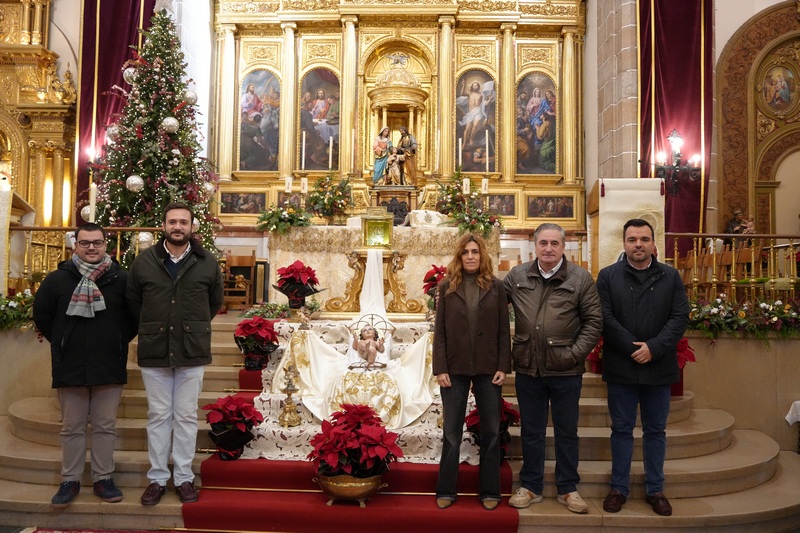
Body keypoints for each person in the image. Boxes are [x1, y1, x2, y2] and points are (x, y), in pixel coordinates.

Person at [33, 223, 137, 509]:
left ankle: (103, 478)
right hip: (70, 363)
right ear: (75, 245)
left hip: (108, 362)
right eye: (85, 242)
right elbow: (42, 314)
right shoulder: (57, 279)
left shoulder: (121, 279)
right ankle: (70, 480)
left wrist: (116, 341)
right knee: (72, 427)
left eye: (97, 242)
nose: (92, 247)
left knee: (105, 427)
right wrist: (62, 341)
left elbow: (134, 319)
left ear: (106, 245)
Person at [127, 202, 224, 506]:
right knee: (158, 416)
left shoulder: (207, 261)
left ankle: (183, 477)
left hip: (191, 349)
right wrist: (155, 325)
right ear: (164, 226)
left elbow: (214, 302)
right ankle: (157, 478)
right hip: (155, 348)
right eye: (172, 222)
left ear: (192, 227)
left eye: (183, 222)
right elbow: (133, 302)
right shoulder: (144, 261)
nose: (178, 226)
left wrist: (190, 327)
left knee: (185, 416)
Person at [504, 223, 602, 514]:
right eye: (543, 243)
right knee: (531, 431)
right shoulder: (517, 276)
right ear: (535, 246)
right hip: (528, 368)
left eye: (554, 243)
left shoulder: (580, 278)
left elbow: (594, 322)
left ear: (563, 246)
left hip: (566, 370)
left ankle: (568, 488)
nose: (548, 249)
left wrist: (574, 354)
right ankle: (531, 486)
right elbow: (491, 304)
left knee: (566, 432)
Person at [596, 218, 689, 517]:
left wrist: (654, 348)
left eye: (644, 239)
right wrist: (633, 348)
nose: (638, 244)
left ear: (653, 243)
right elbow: (604, 317)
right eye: (633, 239)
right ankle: (618, 489)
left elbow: (679, 317)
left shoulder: (670, 276)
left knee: (655, 431)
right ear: (624, 243)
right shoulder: (608, 276)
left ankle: (656, 490)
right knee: (621, 430)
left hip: (658, 366)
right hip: (621, 366)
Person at [434, 233, 511, 511]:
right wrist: (440, 368)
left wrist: (503, 365)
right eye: (465, 252)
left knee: (491, 430)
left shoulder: (497, 287)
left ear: (482, 256)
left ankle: (490, 491)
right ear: (459, 256)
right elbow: (440, 331)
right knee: (451, 432)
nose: (470, 256)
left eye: (475, 252)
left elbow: (503, 330)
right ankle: (446, 489)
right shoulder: (447, 286)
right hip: (454, 368)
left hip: (488, 368)